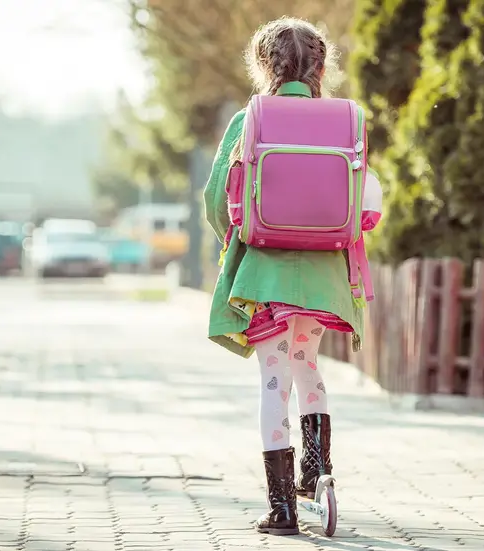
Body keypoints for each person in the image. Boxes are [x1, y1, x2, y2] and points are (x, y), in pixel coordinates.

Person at [202, 17, 382, 536]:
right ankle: (318, 474)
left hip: (267, 277)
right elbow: (363, 198)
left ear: (264, 66)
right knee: (308, 367)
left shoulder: (250, 119)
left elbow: (218, 199)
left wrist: (236, 238)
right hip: (326, 274)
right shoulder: (347, 119)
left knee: (273, 382)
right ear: (321, 66)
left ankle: (281, 509)